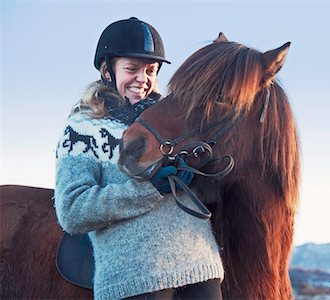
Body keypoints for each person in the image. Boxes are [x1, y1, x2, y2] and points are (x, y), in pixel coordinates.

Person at [54, 17, 224, 300]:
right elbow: (73, 211)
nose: (142, 79)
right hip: (134, 278)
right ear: (107, 71)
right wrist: (147, 190)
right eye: (131, 69)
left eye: (151, 70)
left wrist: (201, 177)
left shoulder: (176, 121)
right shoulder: (82, 129)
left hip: (200, 268)